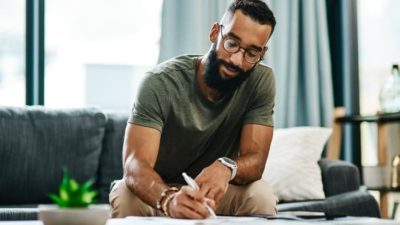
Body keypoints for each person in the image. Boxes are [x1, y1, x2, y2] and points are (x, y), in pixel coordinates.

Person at [110, 0, 277, 219]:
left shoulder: (260, 81)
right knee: (125, 194)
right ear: (215, 33)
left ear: (261, 54)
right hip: (158, 190)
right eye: (231, 44)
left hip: (214, 193)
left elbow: (256, 160)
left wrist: (226, 167)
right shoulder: (159, 82)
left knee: (261, 194)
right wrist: (168, 199)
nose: (237, 60)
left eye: (251, 53)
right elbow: (134, 165)